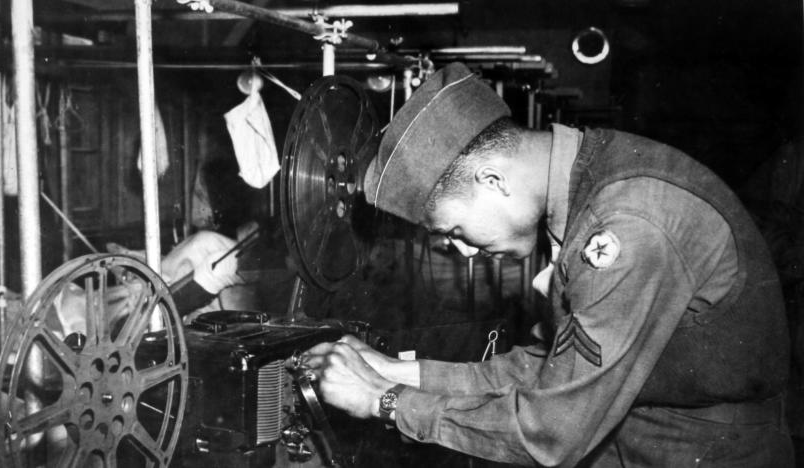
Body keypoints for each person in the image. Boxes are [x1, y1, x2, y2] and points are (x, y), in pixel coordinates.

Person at [300, 62, 793, 467]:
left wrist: (383, 401)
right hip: (636, 436)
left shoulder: (626, 224)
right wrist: (400, 372)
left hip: (699, 452)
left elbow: (553, 433)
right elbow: (548, 366)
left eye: (453, 231)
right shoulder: (587, 174)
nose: (465, 252)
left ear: (491, 179)